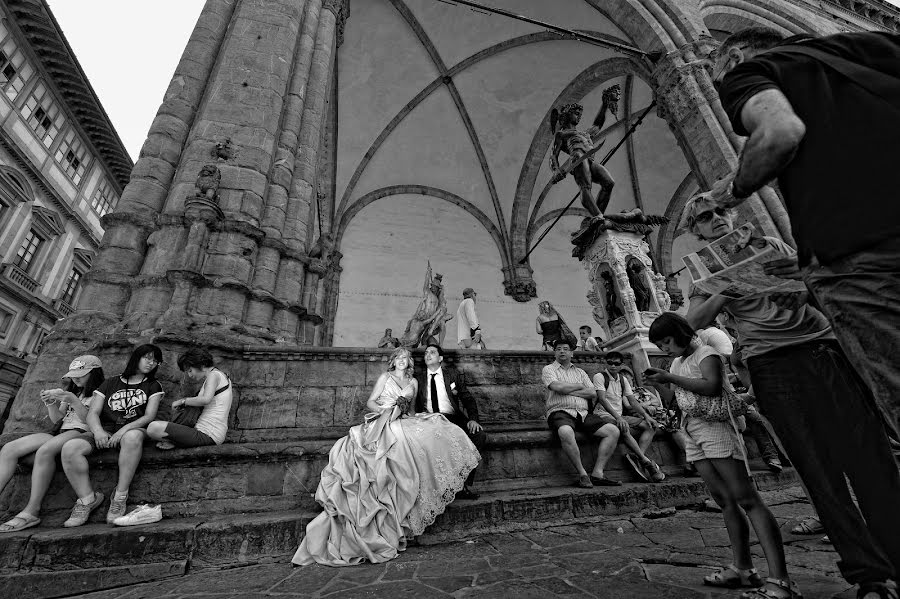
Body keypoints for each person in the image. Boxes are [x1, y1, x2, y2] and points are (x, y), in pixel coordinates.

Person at [682, 193, 900, 599]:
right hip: (772, 366)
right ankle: (868, 574)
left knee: (871, 459)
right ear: (695, 231)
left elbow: (821, 283)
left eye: (721, 211)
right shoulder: (704, 275)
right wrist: (727, 289)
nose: (717, 220)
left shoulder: (770, 245)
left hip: (823, 350)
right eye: (705, 218)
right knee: (819, 473)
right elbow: (691, 323)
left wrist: (800, 285)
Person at [708, 28, 900, 446]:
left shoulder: (755, 72)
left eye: (716, 75)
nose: (718, 86)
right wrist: (805, 270)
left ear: (735, 58)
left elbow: (779, 133)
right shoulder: (876, 46)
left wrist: (731, 191)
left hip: (862, 259)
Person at [646, 312, 799, 599]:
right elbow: (677, 398)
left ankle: (780, 579)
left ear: (679, 333)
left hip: (716, 428)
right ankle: (743, 568)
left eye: (667, 341)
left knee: (747, 498)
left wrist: (669, 376)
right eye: (660, 345)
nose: (665, 349)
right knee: (724, 500)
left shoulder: (707, 353)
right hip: (692, 429)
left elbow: (712, 387)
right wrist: (660, 384)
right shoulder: (677, 362)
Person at [293, 347, 480, 566]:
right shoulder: (385, 377)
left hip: (402, 420)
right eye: (399, 357)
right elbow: (371, 402)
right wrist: (387, 408)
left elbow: (410, 410)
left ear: (409, 362)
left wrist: (413, 415)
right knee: (394, 446)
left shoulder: (413, 382)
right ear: (393, 361)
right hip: (384, 418)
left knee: (435, 431)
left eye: (406, 358)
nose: (402, 360)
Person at [59, 344, 164, 528]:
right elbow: (93, 412)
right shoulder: (110, 383)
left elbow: (148, 416)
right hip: (105, 429)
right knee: (70, 448)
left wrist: (122, 431)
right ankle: (86, 500)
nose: (151, 362)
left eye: (155, 360)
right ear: (136, 357)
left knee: (131, 438)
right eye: (147, 357)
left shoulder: (153, 385)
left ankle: (120, 496)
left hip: (133, 429)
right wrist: (98, 431)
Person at [0, 356, 105, 532]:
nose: (76, 378)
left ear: (94, 373)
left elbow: (90, 422)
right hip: (61, 431)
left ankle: (31, 511)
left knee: (45, 451)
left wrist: (73, 400)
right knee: (9, 449)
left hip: (82, 432)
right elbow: (58, 419)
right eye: (73, 375)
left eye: (81, 374)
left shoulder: (100, 392)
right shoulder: (72, 391)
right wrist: (50, 404)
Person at [541, 340, 621, 488]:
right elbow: (557, 387)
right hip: (560, 412)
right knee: (565, 431)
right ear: (555, 352)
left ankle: (598, 473)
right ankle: (583, 474)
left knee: (613, 431)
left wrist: (567, 388)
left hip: (583, 414)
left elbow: (592, 392)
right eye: (558, 349)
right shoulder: (549, 369)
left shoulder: (580, 372)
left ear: (572, 353)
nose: (562, 351)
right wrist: (579, 386)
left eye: (566, 349)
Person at [415, 343, 486, 499]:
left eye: (432, 352)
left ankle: (463, 485)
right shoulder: (418, 378)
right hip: (430, 419)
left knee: (478, 435)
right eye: (426, 352)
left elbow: (467, 398)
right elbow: (415, 405)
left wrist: (473, 419)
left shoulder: (452, 375)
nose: (428, 355)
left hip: (453, 417)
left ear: (440, 358)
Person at [592, 352, 664, 483]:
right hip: (602, 414)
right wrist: (618, 418)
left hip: (619, 415)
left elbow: (633, 401)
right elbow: (602, 399)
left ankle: (639, 457)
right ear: (605, 363)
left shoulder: (623, 380)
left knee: (651, 426)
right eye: (610, 363)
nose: (613, 366)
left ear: (621, 365)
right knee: (623, 428)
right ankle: (646, 461)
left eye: (616, 363)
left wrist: (647, 416)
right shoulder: (600, 376)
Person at [147, 348, 231, 450]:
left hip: (209, 434)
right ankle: (177, 442)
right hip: (207, 433)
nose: (190, 375)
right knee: (154, 428)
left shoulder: (213, 375)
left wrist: (183, 401)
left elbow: (205, 400)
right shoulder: (219, 375)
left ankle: (176, 442)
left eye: (190, 370)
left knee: (153, 427)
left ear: (202, 364)